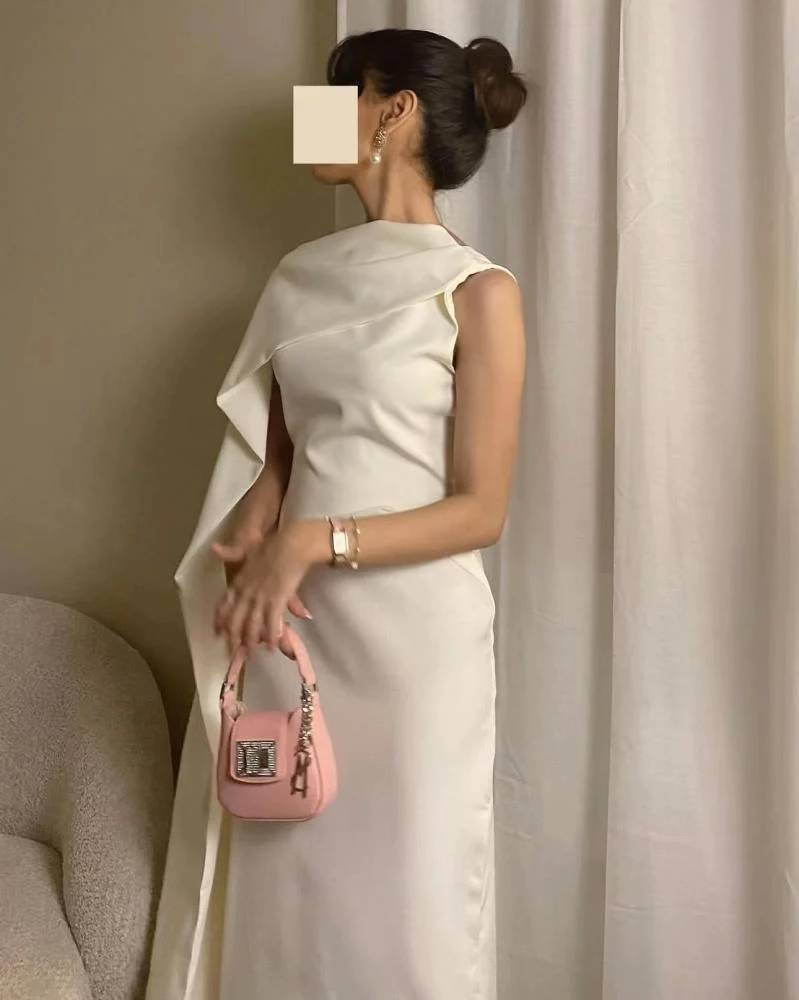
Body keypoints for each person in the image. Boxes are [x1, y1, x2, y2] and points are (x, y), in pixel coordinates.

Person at [145, 26, 527, 1000]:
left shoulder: (479, 291)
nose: (306, 116)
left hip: (415, 650)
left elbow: (480, 510)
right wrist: (259, 521)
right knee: (289, 897)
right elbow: (282, 453)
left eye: (335, 93)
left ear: (392, 110)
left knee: (411, 912)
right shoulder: (298, 279)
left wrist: (314, 539)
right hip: (298, 627)